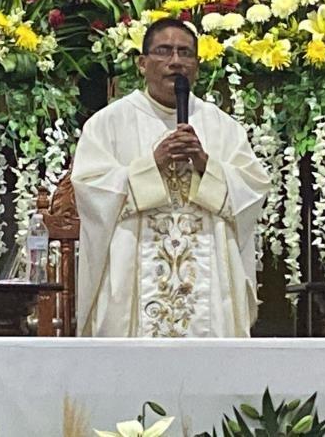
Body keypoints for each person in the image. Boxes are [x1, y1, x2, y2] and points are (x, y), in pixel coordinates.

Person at [72, 18, 270, 337]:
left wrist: (205, 164)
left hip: (209, 282)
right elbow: (90, 188)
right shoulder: (108, 123)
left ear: (197, 65)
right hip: (131, 276)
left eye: (185, 53)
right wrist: (153, 164)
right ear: (142, 63)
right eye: (164, 51)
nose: (175, 61)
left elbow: (253, 190)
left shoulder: (222, 126)